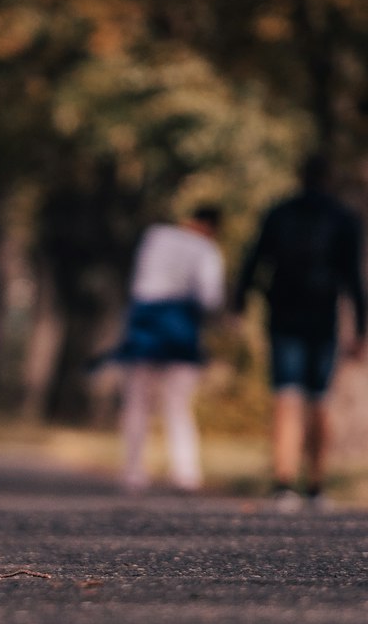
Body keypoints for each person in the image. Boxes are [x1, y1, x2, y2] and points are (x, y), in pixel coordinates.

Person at [233, 153, 366, 509]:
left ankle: (283, 484)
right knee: (319, 399)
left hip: (283, 315)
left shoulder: (279, 212)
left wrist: (239, 304)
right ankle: (317, 486)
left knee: (286, 397)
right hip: (323, 317)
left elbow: (254, 259)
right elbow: (354, 277)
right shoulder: (343, 218)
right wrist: (361, 329)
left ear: (299, 176)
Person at [110, 207, 226, 494]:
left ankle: (134, 470)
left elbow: (139, 278)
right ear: (212, 227)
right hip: (180, 326)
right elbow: (210, 297)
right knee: (178, 403)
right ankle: (185, 471)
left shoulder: (156, 235)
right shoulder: (207, 250)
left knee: (138, 400)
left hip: (145, 322)